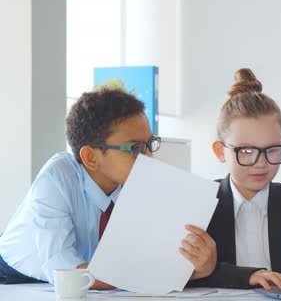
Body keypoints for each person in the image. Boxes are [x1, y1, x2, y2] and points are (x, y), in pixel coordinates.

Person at [0, 87, 217, 288]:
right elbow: (67, 274)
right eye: (136, 149)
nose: (149, 158)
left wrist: (200, 266)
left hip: (92, 282)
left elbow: (158, 262)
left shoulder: (137, 183)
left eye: (150, 145)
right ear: (91, 157)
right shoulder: (58, 176)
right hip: (15, 279)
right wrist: (150, 274)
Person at [188, 68, 281, 289]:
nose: (260, 163)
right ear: (220, 151)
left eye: (272, 149)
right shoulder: (198, 204)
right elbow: (184, 274)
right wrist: (247, 276)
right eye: (246, 151)